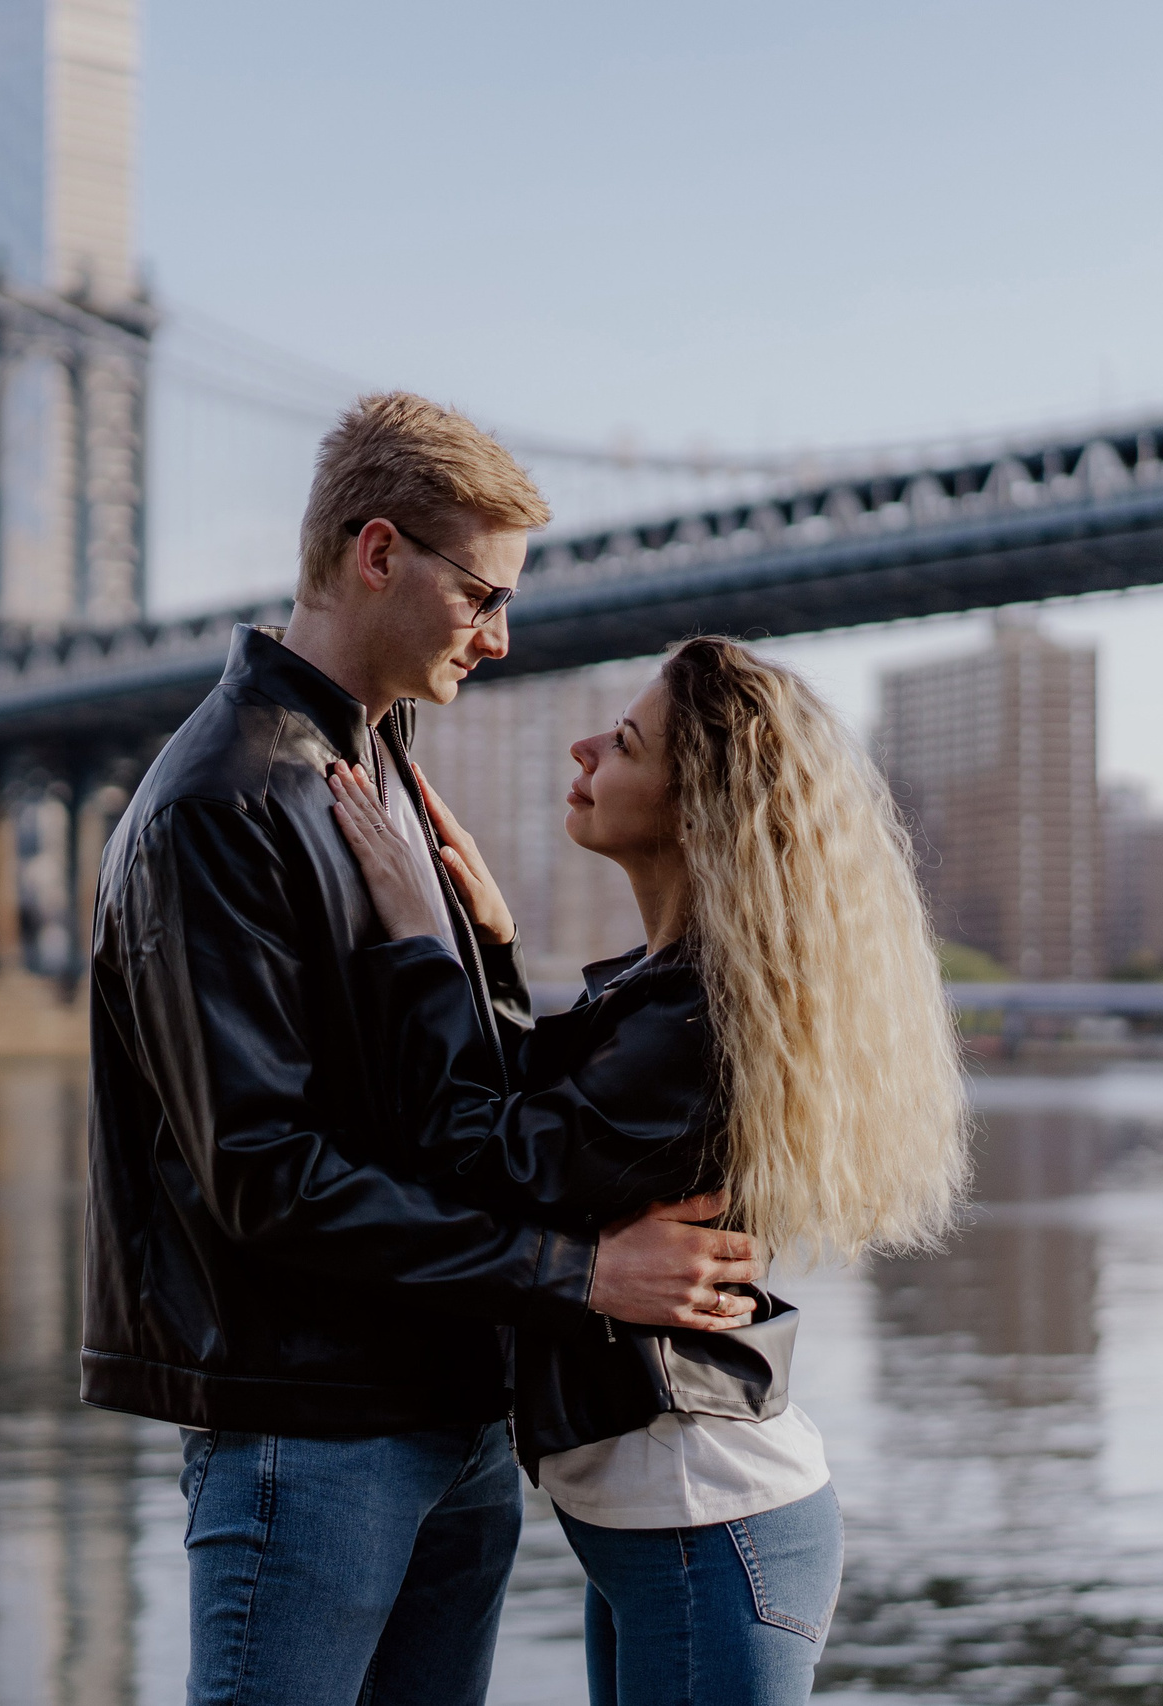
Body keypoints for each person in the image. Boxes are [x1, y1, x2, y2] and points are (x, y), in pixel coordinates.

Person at [82, 395, 765, 1706]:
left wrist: (493, 949)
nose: (503, 637)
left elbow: (461, 1097)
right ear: (378, 553)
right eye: (482, 595)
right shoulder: (223, 804)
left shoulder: (379, 767)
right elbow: (265, 1175)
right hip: (313, 1429)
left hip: (448, 1405)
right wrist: (579, 1273)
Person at [326, 635, 970, 1706]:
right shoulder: (665, 991)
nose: (582, 746)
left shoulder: (697, 1021)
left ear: (696, 805)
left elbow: (480, 1155)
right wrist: (484, 949)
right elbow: (532, 1116)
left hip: (703, 1530)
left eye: (622, 741)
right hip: (665, 1530)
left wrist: (416, 944)